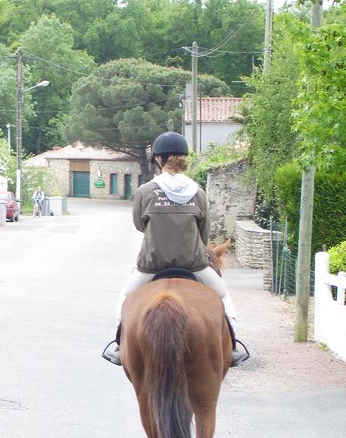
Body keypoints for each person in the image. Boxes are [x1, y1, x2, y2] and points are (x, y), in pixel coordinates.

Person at [102, 131, 249, 367]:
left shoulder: (145, 192)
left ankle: (119, 345)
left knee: (125, 297)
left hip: (152, 266)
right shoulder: (198, 192)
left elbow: (140, 225)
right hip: (194, 265)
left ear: (159, 160)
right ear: (183, 159)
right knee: (223, 295)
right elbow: (203, 233)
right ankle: (232, 346)